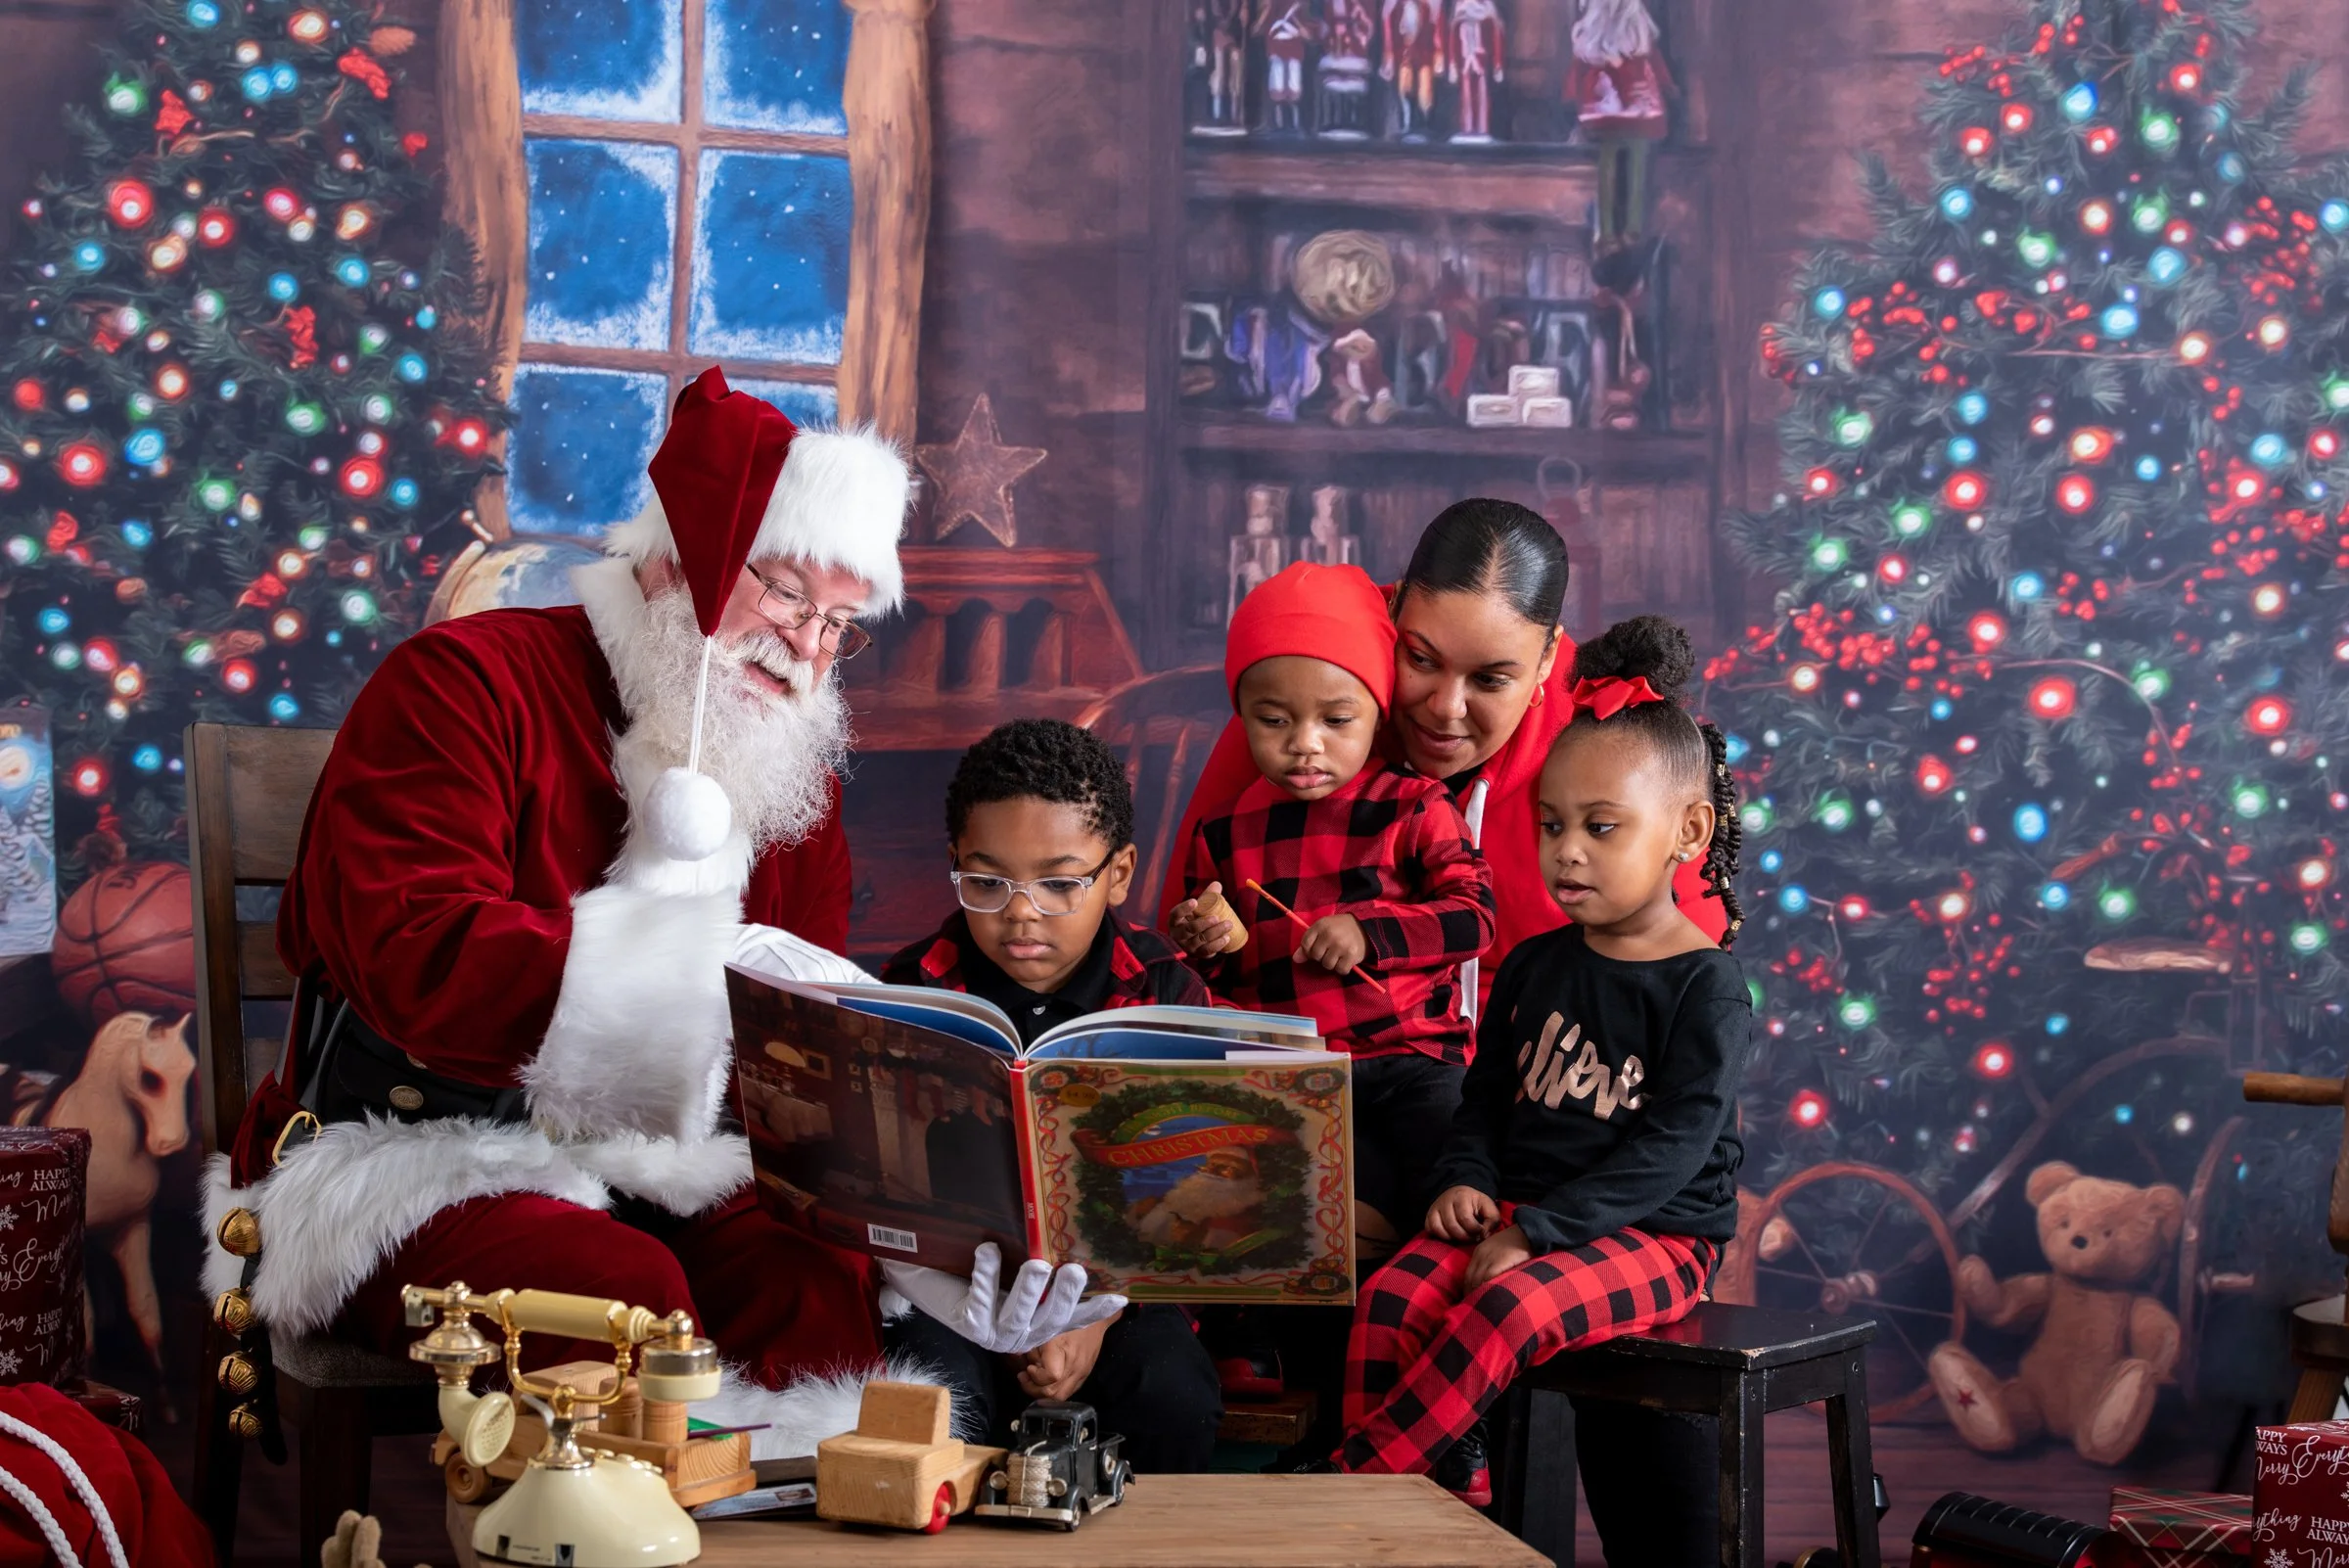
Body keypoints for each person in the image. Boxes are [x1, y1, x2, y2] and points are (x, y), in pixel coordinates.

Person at [205, 371, 1120, 1459]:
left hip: (668, 1159)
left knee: (807, 1285)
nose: (808, 646)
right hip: (411, 1156)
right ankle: (620, 1525)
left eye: (838, 623)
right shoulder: (460, 685)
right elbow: (417, 954)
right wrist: (704, 967)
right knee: (619, 1300)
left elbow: (795, 1077)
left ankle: (782, 1518)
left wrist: (925, 1243)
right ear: (672, 564)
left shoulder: (788, 770)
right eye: (785, 594)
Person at [1162, 500, 1728, 1555]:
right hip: (1363, 1114)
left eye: (1491, 678)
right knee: (1360, 1259)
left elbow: (1670, 991)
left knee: (1584, 1339)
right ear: (1387, 625)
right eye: (1420, 659)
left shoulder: (1600, 758)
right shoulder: (1313, 706)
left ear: (1550, 662)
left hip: (1572, 1136)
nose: (1444, 706)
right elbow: (1201, 926)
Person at [1337, 615, 1751, 1516]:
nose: (1567, 850)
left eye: (1601, 827)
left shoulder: (1704, 987)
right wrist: (1466, 1178)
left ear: (1687, 831)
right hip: (1522, 1211)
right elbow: (1485, 1099)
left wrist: (1540, 1234)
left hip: (1656, 1235)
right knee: (1393, 1297)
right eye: (1551, 824)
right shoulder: (1533, 965)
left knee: (1509, 1308)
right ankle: (1444, 1484)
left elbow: (1672, 1151)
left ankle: (1352, 1489)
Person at [879, 718, 1225, 1473]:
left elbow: (1202, 1192)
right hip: (951, 1293)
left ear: (1119, 874)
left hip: (1122, 1301)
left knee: (1170, 1393)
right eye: (987, 882)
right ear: (954, 864)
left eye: (1061, 884)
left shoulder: (1168, 993)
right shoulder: (908, 990)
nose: (1021, 912)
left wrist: (1094, 1321)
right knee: (928, 1394)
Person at [1168, 561, 1496, 1260]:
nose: (1305, 743)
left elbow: (1475, 917)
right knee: (1305, 1212)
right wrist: (1204, 939)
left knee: (1453, 1169)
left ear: (1378, 711)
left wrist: (1370, 934)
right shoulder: (1222, 832)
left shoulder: (1415, 807)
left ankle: (1437, 1277)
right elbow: (1203, 979)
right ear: (1242, 715)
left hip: (1413, 1059)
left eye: (1336, 720)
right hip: (1294, 1072)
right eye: (1273, 720)